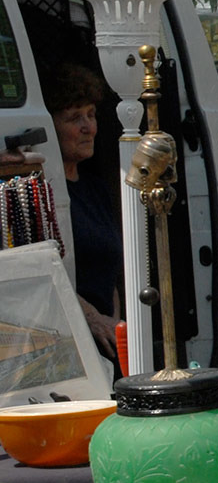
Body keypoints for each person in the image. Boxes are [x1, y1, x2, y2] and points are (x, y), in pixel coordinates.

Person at [44, 64, 119, 357]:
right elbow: (49, 277)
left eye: (91, 114)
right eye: (75, 118)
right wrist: (94, 320)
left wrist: (114, 324)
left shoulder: (96, 189)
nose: (88, 127)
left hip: (106, 339)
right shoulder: (41, 194)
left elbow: (110, 269)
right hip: (69, 342)